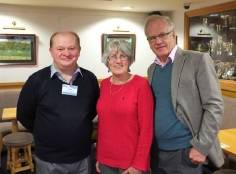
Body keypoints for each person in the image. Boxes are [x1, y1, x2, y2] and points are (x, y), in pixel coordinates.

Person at [144, 15, 224, 174]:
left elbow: (214, 106)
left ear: (173, 34)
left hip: (186, 153)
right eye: (152, 37)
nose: (157, 41)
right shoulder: (152, 69)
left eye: (162, 34)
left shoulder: (198, 60)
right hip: (157, 153)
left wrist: (201, 146)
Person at [17, 31, 99, 174]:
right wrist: (48, 132)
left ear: (79, 50)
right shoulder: (36, 80)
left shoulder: (90, 79)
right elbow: (24, 116)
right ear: (51, 51)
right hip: (48, 159)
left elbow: (92, 111)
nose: (66, 53)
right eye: (60, 48)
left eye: (72, 48)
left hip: (82, 157)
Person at [96, 39, 154, 174]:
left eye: (123, 56)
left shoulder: (141, 85)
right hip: (105, 161)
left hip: (131, 164)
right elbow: (103, 125)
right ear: (107, 61)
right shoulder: (104, 85)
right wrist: (99, 156)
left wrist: (139, 164)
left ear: (129, 60)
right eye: (113, 57)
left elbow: (147, 129)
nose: (118, 61)